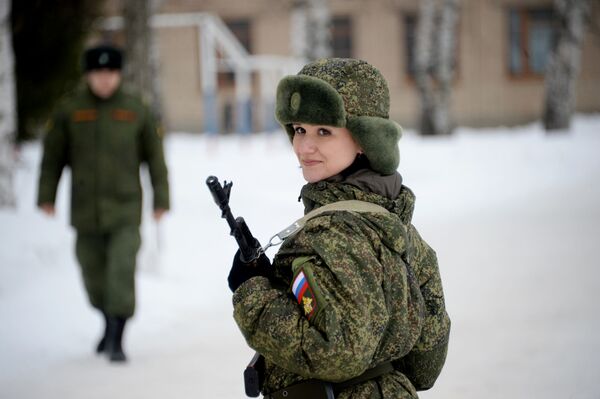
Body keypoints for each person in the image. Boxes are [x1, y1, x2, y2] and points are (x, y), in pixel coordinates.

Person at [227, 58, 450, 398]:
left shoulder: (328, 234)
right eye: (299, 129)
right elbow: (425, 365)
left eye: (324, 132)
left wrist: (253, 293)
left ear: (365, 140)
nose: (304, 147)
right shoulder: (400, 230)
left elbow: (337, 352)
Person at [37, 44, 170, 362]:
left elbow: (155, 158)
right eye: (98, 73)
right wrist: (46, 195)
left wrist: (161, 198)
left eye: (111, 73)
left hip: (125, 209)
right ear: (88, 75)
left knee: (120, 272)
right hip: (86, 211)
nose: (105, 80)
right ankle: (107, 321)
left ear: (119, 74)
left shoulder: (136, 109)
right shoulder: (70, 110)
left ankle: (116, 337)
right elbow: (53, 157)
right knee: (93, 275)